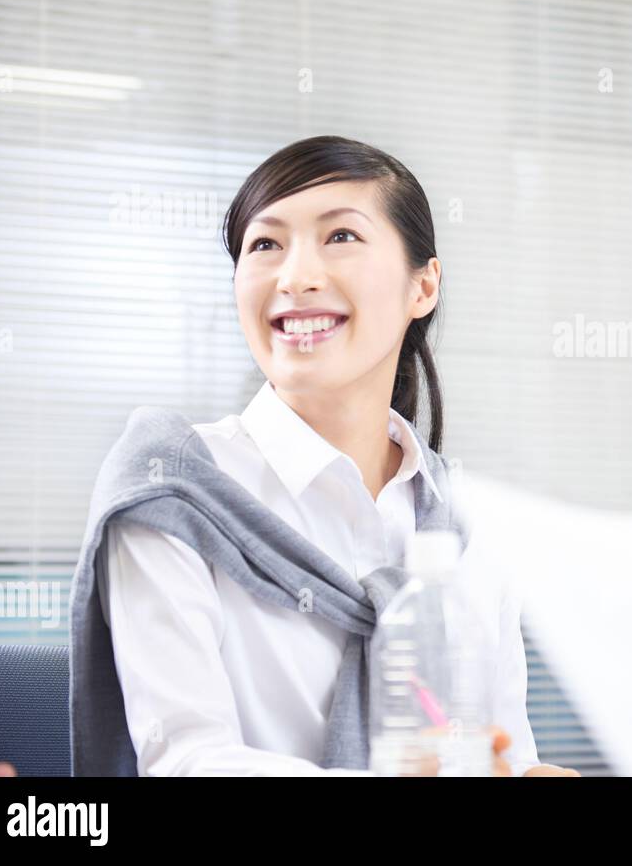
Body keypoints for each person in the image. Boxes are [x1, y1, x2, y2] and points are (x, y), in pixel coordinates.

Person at [84, 135, 576, 775]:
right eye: (265, 245)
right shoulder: (175, 490)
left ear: (422, 286)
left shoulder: (467, 525)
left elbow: (502, 749)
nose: (296, 277)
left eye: (341, 236)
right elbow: (186, 763)